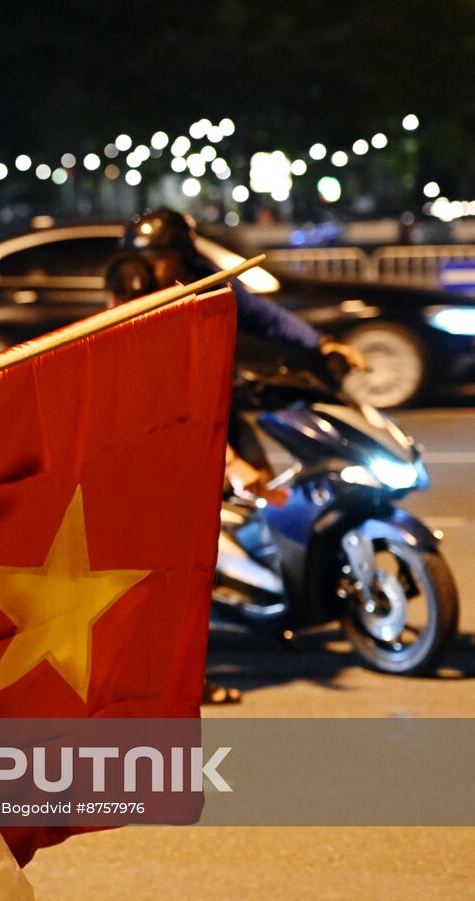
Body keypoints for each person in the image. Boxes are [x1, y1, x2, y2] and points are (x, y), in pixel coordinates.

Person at [120, 208, 367, 705]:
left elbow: (265, 317)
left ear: (183, 254)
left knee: (266, 501)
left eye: (165, 256)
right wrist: (229, 463)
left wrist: (319, 343)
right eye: (149, 258)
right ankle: (184, 673)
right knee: (178, 561)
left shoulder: (206, 285)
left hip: (213, 411)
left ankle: (264, 607)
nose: (158, 268)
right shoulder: (132, 304)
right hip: (160, 433)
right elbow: (160, 394)